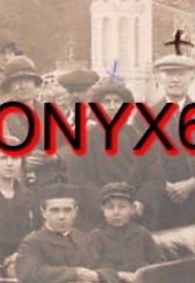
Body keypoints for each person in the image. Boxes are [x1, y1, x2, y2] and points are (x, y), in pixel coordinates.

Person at [66, 79, 164, 230]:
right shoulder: (84, 139)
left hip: (135, 216)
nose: (112, 107)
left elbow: (155, 177)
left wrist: (140, 202)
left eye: (117, 101)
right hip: (96, 217)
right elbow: (78, 178)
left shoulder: (141, 138)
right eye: (106, 102)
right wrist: (106, 207)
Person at [15, 183, 117, 283]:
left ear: (75, 212)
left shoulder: (87, 239)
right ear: (43, 213)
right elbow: (30, 274)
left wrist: (98, 275)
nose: (61, 216)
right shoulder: (33, 242)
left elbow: (110, 269)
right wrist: (75, 273)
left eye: (67, 210)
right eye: (55, 210)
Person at [150, 53, 195, 230]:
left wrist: (193, 183)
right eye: (168, 74)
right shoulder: (145, 117)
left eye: (180, 74)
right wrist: (163, 185)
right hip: (158, 199)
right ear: (159, 78)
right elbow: (140, 158)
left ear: (191, 78)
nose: (174, 80)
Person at [92, 181, 163, 281]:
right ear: (102, 209)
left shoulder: (142, 234)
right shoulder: (97, 236)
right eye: (110, 207)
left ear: (132, 208)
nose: (116, 212)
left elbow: (159, 265)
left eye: (122, 207)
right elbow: (90, 271)